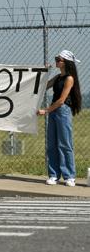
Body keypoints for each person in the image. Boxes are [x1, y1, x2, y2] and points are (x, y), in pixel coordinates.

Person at [38, 50, 82, 187]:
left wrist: (45, 110)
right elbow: (43, 86)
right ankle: (54, 175)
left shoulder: (69, 78)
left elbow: (61, 100)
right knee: (52, 145)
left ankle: (69, 176)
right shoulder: (57, 78)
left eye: (59, 59)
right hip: (54, 110)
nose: (56, 61)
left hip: (62, 111)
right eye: (56, 58)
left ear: (66, 62)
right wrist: (46, 71)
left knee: (65, 144)